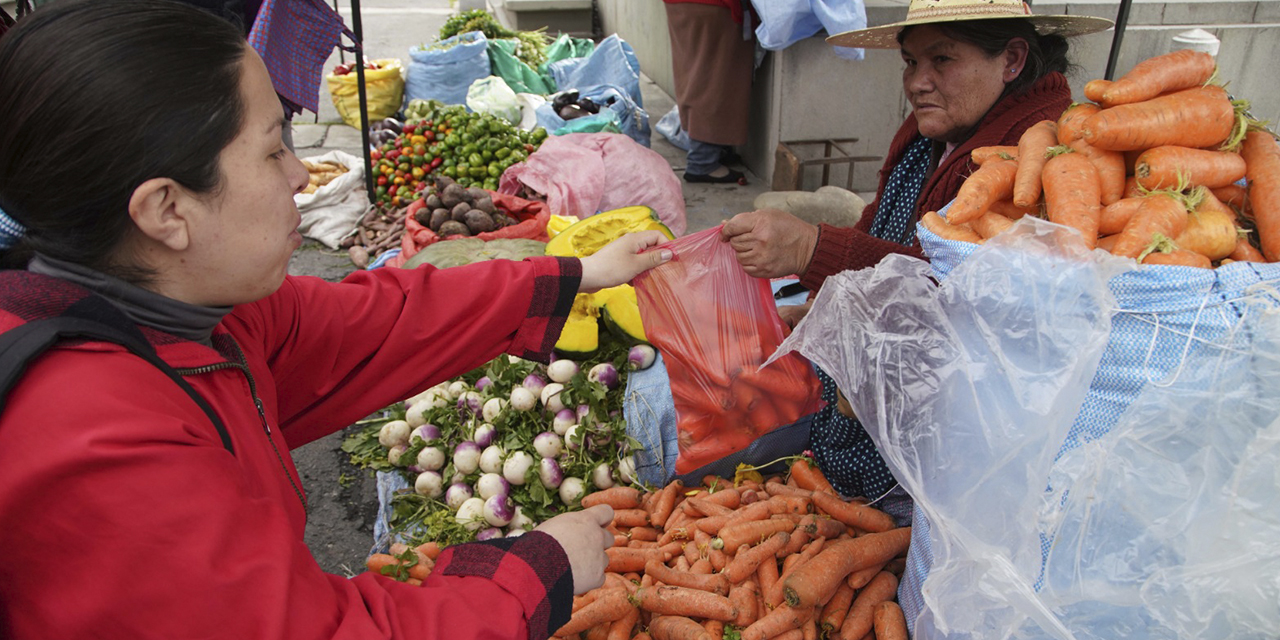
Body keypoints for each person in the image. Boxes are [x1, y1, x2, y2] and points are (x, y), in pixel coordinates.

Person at [0, 1, 671, 637]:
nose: (299, 173)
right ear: (167, 211)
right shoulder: (97, 447)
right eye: (271, 150)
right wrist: (531, 572)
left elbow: (376, 320)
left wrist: (571, 276)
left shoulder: (191, 307)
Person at [718, 0, 1111, 505]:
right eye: (910, 62)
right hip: (866, 355)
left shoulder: (1034, 160)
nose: (917, 82)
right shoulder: (936, 125)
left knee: (699, 413)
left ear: (1011, 60)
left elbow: (959, 300)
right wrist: (826, 295)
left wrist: (815, 247)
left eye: (941, 60)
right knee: (715, 371)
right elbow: (883, 219)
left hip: (932, 409)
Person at [663, 0, 755, 184]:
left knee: (695, 74)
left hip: (682, 5)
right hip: (713, 6)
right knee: (715, 81)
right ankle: (702, 161)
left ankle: (711, 149)